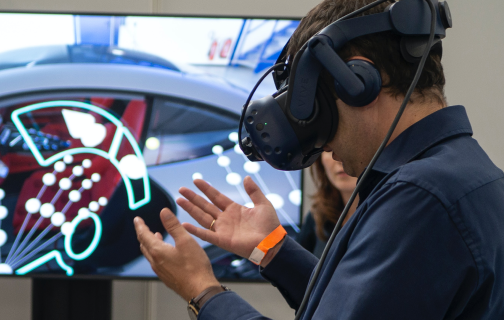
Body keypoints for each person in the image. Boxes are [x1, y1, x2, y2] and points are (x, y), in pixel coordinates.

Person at [133, 0, 504, 319]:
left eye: (318, 107)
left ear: (357, 81)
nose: (321, 144)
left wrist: (203, 291)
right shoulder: (459, 175)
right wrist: (273, 250)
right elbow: (362, 304)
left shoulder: (421, 197)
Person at [296, 152, 358, 257]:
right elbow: (294, 267)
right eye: (330, 150)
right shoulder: (318, 216)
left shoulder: (387, 215)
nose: (340, 160)